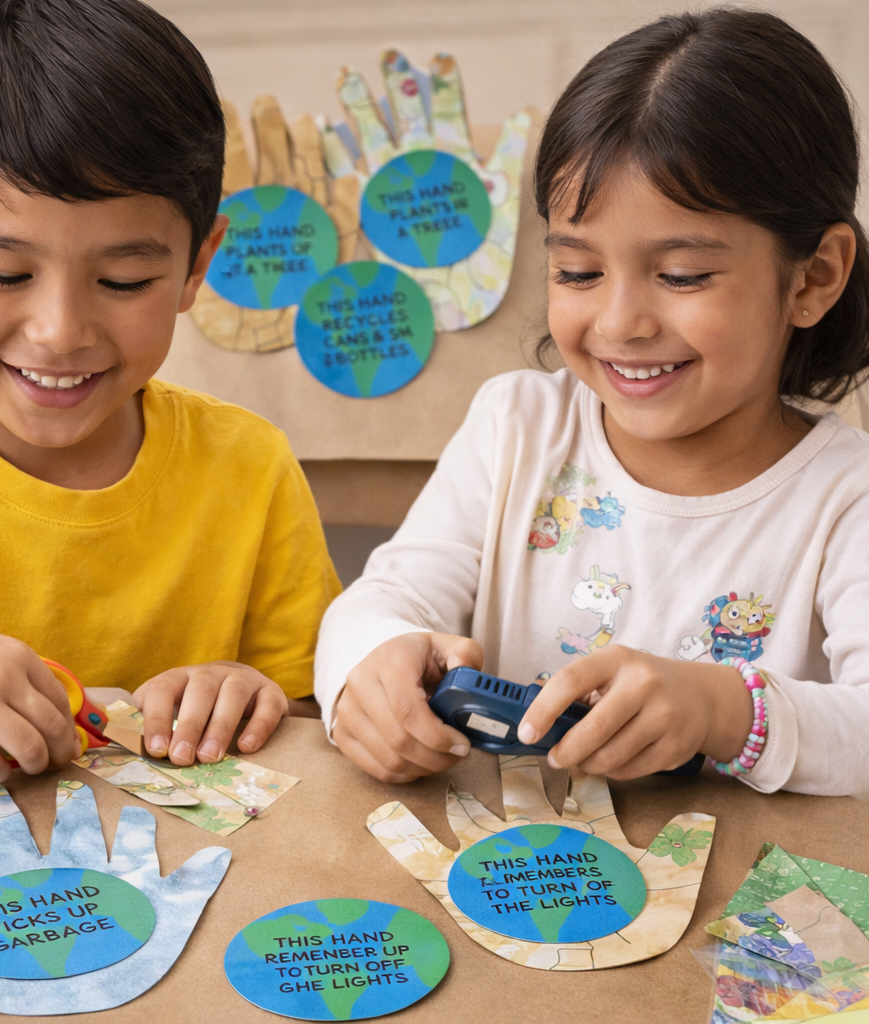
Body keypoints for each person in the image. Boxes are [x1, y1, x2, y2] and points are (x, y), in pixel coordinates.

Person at [315, 8, 869, 800]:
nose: (619, 324)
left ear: (813, 278)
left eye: (680, 275)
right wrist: (370, 661)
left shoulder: (848, 497)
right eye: (578, 272)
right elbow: (384, 597)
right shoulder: (515, 427)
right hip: (509, 884)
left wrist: (725, 710)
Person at [0, 0, 340, 782]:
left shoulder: (248, 468)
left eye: (124, 280)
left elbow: (311, 721)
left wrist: (252, 698)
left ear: (195, 266)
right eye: (5, 274)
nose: (61, 331)